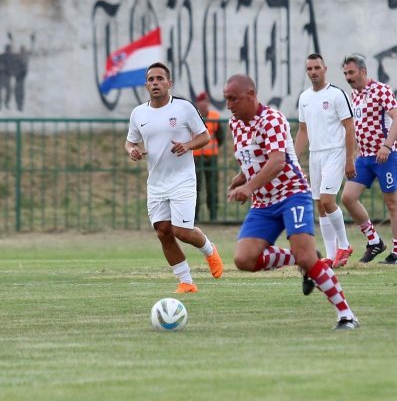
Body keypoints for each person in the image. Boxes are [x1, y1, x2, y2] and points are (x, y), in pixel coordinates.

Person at [223, 74, 359, 330]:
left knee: (307, 257)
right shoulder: (235, 124)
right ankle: (303, 258)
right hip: (263, 202)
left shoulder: (271, 119)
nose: (229, 105)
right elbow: (254, 157)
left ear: (251, 95)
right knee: (244, 259)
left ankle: (347, 315)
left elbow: (277, 161)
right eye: (226, 99)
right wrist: (242, 176)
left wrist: (248, 187)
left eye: (233, 99)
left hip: (291, 194)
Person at [125, 62, 224, 294]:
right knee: (163, 232)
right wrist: (132, 151)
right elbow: (130, 141)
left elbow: (205, 136)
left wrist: (187, 145)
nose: (155, 83)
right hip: (156, 182)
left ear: (169, 83)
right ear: (146, 85)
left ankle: (209, 250)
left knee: (181, 230)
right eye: (151, 79)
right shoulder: (138, 113)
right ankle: (186, 282)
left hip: (182, 179)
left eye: (160, 78)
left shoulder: (184, 108)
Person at [340, 53, 397, 264]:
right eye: (345, 73)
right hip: (364, 157)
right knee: (347, 198)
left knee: (392, 203)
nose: (348, 77)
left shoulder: (381, 90)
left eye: (351, 72)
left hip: (385, 156)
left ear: (363, 71)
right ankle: (374, 240)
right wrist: (350, 156)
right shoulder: (353, 96)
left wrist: (386, 146)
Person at [294, 53, 357, 268]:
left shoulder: (337, 95)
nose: (313, 72)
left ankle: (345, 245)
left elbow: (349, 127)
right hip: (316, 154)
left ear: (325, 68)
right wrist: (294, 160)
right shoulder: (304, 98)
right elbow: (303, 131)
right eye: (309, 68)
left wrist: (350, 159)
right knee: (320, 205)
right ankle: (331, 256)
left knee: (328, 201)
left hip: (335, 152)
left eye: (317, 68)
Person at [193, 91, 225, 222]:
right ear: (197, 103)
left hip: (211, 157)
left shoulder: (214, 117)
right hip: (196, 157)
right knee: (195, 187)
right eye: (202, 101)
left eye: (206, 101)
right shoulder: (193, 117)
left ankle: (213, 215)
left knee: (212, 187)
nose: (204, 104)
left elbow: (220, 137)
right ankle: (195, 216)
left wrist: (213, 148)